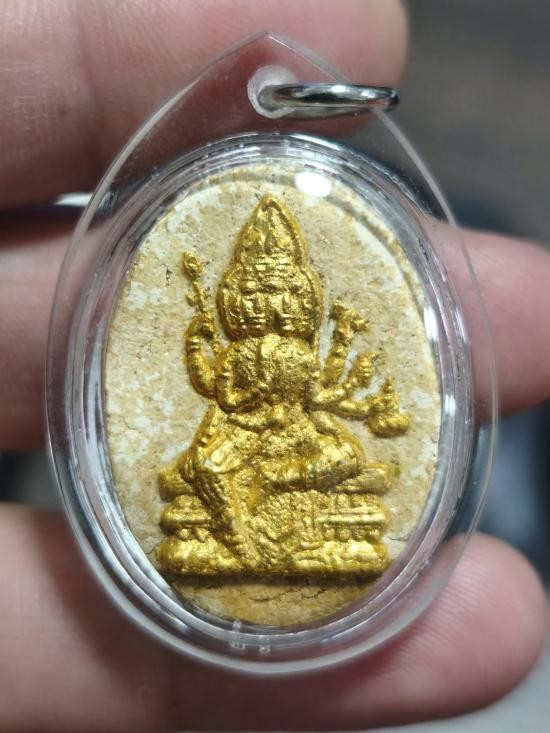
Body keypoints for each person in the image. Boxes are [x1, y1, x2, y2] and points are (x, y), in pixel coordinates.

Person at [0, 1, 548, 730]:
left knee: (350, 465)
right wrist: (198, 337)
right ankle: (241, 534)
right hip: (237, 440)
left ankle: (260, 521)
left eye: (280, 295)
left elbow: (325, 399)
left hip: (292, 442)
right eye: (252, 294)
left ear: (304, 300)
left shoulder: (298, 349)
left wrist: (354, 390)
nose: (266, 303)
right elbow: (210, 385)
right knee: (197, 475)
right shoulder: (233, 345)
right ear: (234, 298)